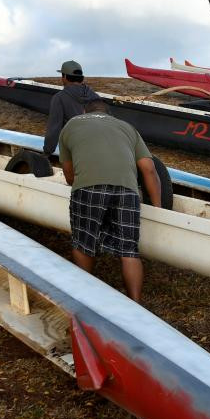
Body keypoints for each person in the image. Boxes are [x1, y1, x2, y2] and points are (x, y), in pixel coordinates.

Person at [59, 99, 161, 303]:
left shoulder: (71, 125)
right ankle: (136, 303)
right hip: (127, 190)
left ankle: (85, 298)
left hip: (88, 186)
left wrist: (82, 185)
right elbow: (149, 169)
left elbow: (69, 174)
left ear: (84, 111)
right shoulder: (127, 128)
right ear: (109, 114)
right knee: (128, 249)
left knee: (84, 243)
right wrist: (158, 209)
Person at [43, 60, 100, 155]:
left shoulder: (59, 98)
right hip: (99, 148)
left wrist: (47, 151)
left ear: (65, 77)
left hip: (76, 150)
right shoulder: (96, 97)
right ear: (81, 78)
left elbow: (54, 129)